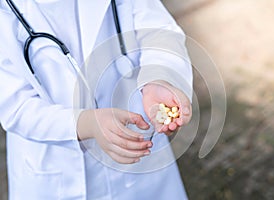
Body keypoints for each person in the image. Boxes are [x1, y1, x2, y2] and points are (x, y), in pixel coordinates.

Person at [0, 0, 193, 199]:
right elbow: (15, 105)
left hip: (139, 152)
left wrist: (159, 77)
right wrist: (85, 123)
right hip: (55, 172)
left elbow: (157, 31)